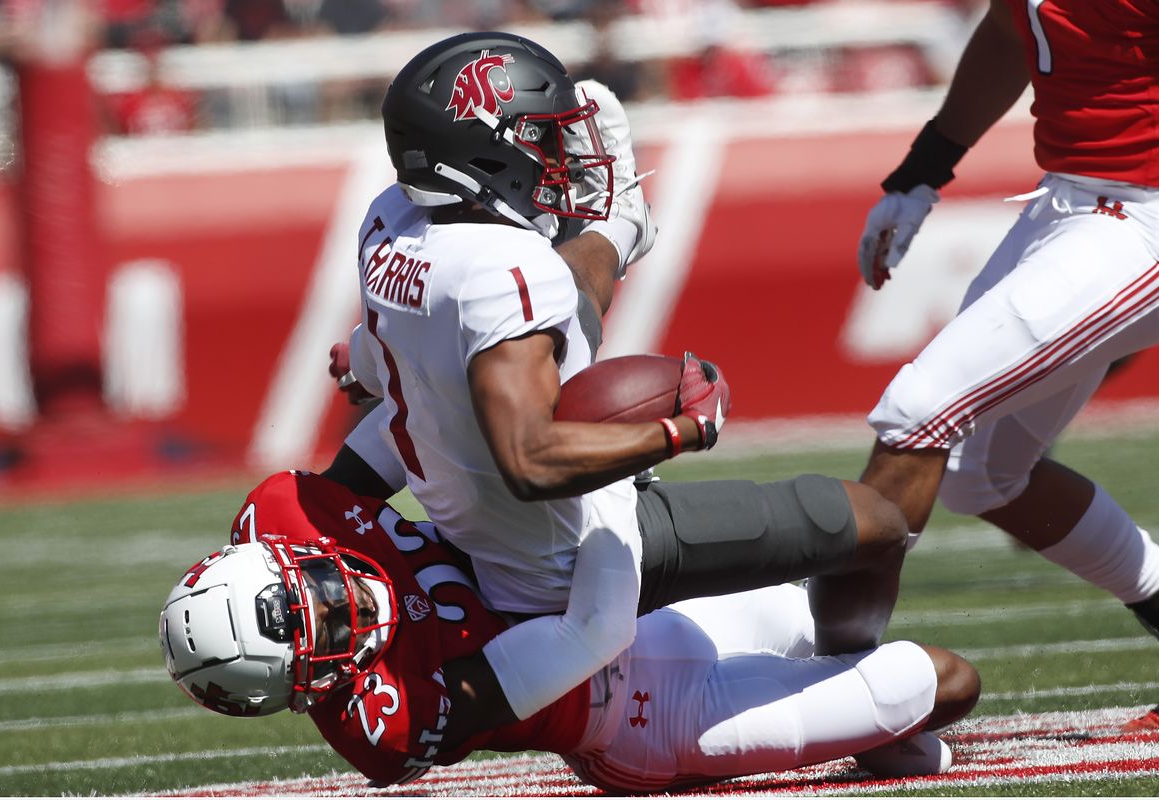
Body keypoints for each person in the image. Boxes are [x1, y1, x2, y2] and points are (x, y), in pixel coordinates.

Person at [319, 30, 920, 752]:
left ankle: (623, 227)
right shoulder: (498, 267)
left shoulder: (392, 221)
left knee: (551, 320)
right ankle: (852, 687)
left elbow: (476, 325)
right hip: (570, 554)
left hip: (482, 531)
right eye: (539, 138)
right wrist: (677, 433)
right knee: (876, 522)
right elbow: (533, 459)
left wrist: (364, 357)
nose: (553, 157)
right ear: (481, 145)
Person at [159, 470, 980, 790]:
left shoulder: (286, 513)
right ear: (310, 687)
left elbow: (396, 442)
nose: (347, 600)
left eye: (316, 585)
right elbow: (592, 632)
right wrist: (608, 478)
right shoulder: (386, 722)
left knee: (844, 573)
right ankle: (880, 724)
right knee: (942, 680)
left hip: (654, 616)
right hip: (643, 721)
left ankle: (878, 733)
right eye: (327, 632)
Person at [854, 0, 1159, 728]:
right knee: (980, 476)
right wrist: (923, 170)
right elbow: (1008, 29)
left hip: (1141, 210)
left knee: (919, 409)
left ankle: (825, 667)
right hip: (1069, 202)